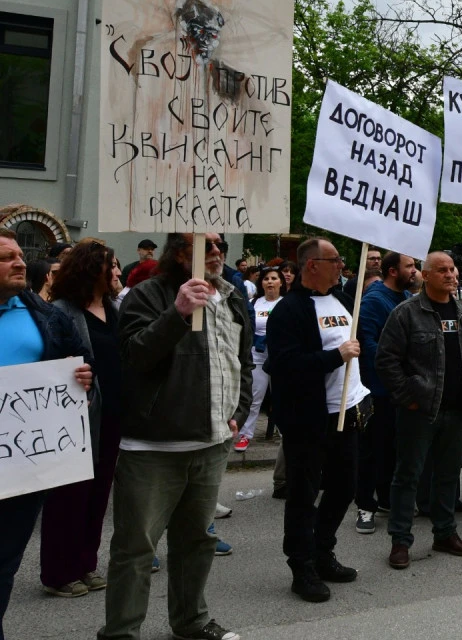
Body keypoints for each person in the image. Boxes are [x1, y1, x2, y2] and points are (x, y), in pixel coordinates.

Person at [99, 232, 251, 640]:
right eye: (203, 246)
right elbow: (134, 356)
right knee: (135, 549)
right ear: (177, 254)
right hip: (154, 447)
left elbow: (243, 361)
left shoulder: (233, 296)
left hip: (213, 443)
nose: (215, 252)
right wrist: (178, 313)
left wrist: (238, 410)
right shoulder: (147, 294)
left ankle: (191, 622)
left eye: (220, 246)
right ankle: (120, 632)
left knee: (196, 542)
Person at [376, 252, 462, 568]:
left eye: (454, 270)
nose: (451, 275)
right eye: (443, 270)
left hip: (456, 407)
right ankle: (400, 542)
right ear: (426, 274)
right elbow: (386, 360)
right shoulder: (406, 313)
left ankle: (445, 533)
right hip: (420, 411)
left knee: (448, 476)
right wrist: (408, 397)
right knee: (408, 476)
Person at [0, 229, 93, 637]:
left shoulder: (45, 314)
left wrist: (82, 379)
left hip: (20, 466)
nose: (20, 263)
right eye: (6, 258)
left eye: (20, 255)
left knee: (3, 563)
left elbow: (80, 363)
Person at [264, 238, 366, 602]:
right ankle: (302, 566)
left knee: (344, 488)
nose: (341, 266)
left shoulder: (339, 300)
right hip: (310, 419)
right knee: (304, 495)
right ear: (312, 265)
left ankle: (323, 552)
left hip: (346, 413)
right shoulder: (289, 311)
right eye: (334, 260)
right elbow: (285, 366)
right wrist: (335, 356)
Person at [38, 240, 121, 598]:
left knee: (98, 493)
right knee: (68, 496)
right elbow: (46, 364)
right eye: (110, 266)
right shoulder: (60, 312)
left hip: (112, 413)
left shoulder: (114, 308)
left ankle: (86, 563)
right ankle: (59, 573)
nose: (117, 272)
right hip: (77, 417)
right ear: (93, 271)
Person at [353, 252, 418, 534]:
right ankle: (365, 506)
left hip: (398, 388)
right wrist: (395, 365)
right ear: (393, 271)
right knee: (371, 451)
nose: (415, 271)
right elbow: (367, 343)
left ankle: (387, 500)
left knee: (392, 447)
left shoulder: (404, 298)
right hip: (377, 389)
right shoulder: (373, 301)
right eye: (410, 266)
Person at [234, 266, 286, 453]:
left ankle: (286, 434)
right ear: (261, 282)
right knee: (255, 397)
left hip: (280, 356)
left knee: (282, 396)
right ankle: (245, 435)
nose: (270, 282)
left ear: (281, 282)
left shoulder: (286, 303)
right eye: (266, 279)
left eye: (274, 278)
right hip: (257, 354)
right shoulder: (253, 302)